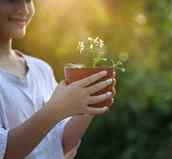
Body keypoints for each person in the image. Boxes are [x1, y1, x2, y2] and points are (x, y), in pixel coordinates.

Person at [0, 0, 115, 158]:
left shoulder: (41, 69)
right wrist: (56, 110)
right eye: (13, 0)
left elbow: (59, 143)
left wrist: (88, 104)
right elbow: (5, 151)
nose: (24, 9)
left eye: (28, 0)